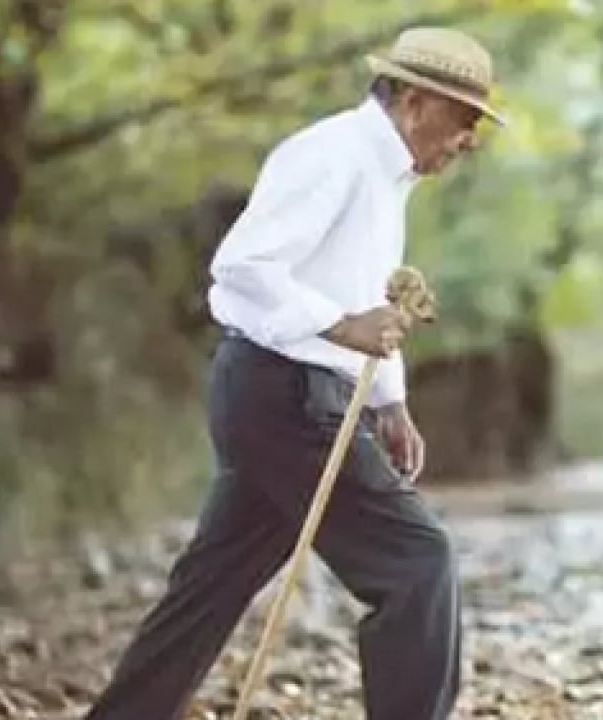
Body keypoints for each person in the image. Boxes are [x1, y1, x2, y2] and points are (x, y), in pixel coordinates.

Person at [82, 26, 506, 720]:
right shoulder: (334, 154)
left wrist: (391, 403)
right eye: (465, 119)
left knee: (209, 588)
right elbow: (243, 266)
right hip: (287, 398)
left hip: (283, 395)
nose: (469, 141)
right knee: (416, 564)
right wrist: (339, 325)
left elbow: (365, 295)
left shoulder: (385, 176)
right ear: (415, 102)